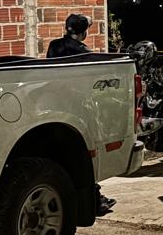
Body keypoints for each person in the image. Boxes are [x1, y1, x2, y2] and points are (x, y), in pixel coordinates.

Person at [47, 14, 115, 214]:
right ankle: (94, 199)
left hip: (53, 104)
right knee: (84, 156)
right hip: (76, 109)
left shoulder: (54, 46)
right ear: (83, 32)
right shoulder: (84, 53)